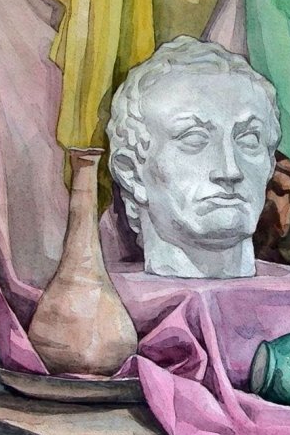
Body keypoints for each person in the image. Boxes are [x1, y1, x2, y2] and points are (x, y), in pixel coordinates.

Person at [108, 36, 281, 278]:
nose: (230, 170)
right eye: (194, 138)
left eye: (249, 140)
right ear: (132, 172)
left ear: (271, 163)